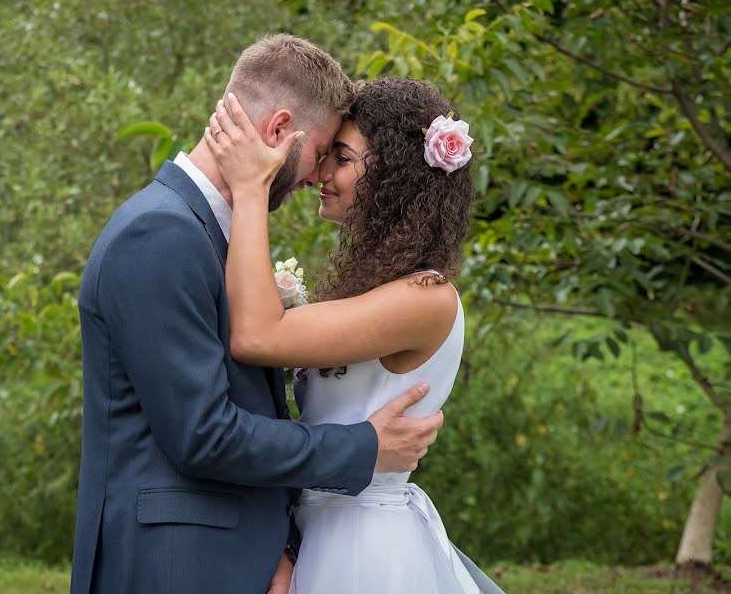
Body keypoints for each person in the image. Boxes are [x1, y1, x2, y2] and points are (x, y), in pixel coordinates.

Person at [69, 35, 445, 594]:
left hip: (229, 557)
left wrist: (279, 546)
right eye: (321, 153)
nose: (318, 176)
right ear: (277, 131)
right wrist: (364, 447)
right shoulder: (160, 234)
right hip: (173, 565)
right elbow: (204, 435)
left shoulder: (211, 233)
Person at [205, 76, 504, 593]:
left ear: (392, 175)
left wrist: (251, 189)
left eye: (342, 158)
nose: (321, 172)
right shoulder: (379, 289)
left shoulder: (426, 298)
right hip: (320, 532)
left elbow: (255, 336)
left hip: (364, 545)